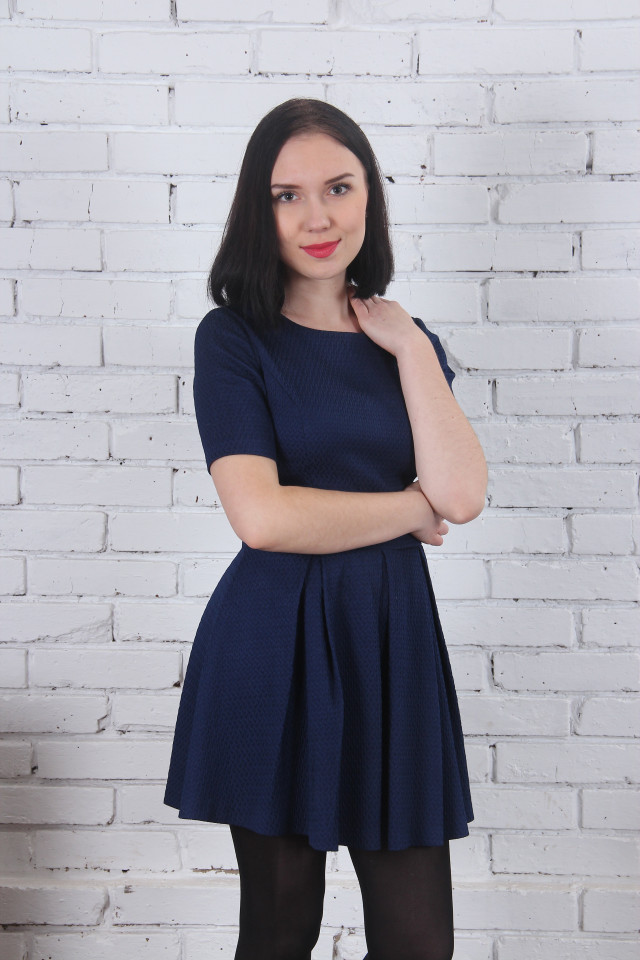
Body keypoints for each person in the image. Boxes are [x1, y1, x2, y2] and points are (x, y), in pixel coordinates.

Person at [164, 97, 487, 960]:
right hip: (273, 643)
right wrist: (409, 509)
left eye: (339, 188)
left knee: (419, 942)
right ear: (258, 209)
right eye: (288, 195)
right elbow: (263, 517)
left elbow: (461, 494)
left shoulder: (407, 341)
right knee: (279, 932)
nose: (318, 217)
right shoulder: (233, 340)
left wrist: (409, 347)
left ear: (369, 195)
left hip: (391, 643)